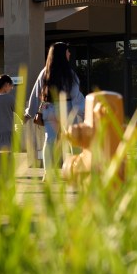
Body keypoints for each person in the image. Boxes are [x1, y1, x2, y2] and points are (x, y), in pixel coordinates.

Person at [25, 42, 85, 179]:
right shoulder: (69, 73)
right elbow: (77, 96)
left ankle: (48, 174)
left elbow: (35, 93)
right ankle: (76, 171)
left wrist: (29, 113)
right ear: (63, 54)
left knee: (49, 140)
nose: (69, 54)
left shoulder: (44, 72)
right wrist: (84, 112)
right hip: (67, 108)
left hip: (49, 108)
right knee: (73, 140)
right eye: (67, 51)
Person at [0, 74, 18, 151]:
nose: (11, 88)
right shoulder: (10, 98)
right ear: (6, 85)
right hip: (9, 134)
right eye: (11, 86)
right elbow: (20, 114)